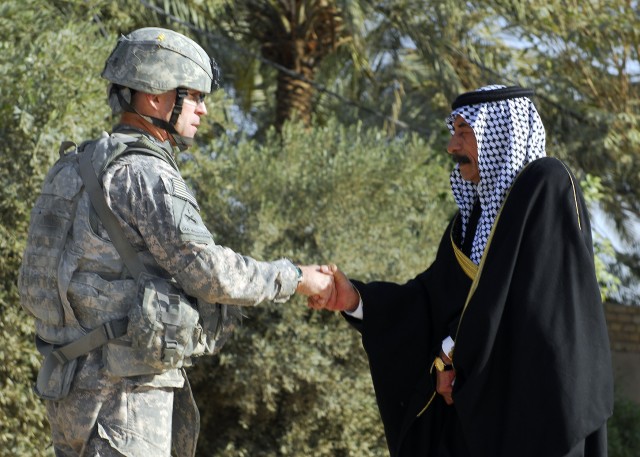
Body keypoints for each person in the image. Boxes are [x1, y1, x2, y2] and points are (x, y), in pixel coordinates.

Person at [18, 27, 334, 457]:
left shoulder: (74, 165)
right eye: (195, 96)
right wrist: (295, 277)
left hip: (70, 394)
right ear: (154, 97)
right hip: (124, 402)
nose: (203, 110)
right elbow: (211, 274)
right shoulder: (145, 174)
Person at [312, 85, 614, 456]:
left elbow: (524, 298)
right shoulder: (466, 228)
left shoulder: (546, 186)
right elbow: (427, 301)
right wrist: (357, 299)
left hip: (536, 412)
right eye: (453, 132)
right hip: (476, 416)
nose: (452, 147)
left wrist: (453, 351)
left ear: (500, 137)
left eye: (464, 133)